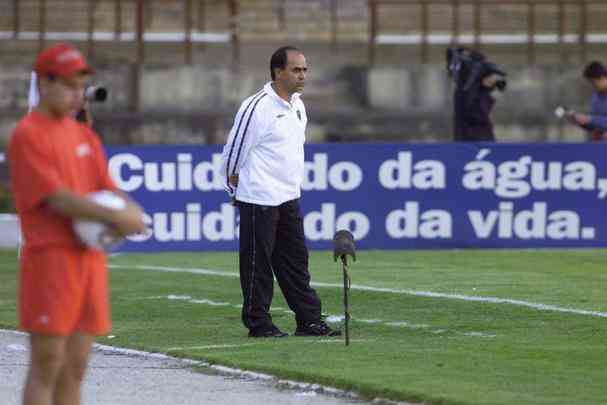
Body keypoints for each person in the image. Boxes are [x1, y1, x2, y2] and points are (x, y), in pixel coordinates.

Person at [8, 43, 146, 405]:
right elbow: (59, 198)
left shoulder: (84, 134)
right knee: (47, 365)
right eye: (68, 86)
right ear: (44, 82)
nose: (76, 95)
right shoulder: (28, 134)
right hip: (51, 261)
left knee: (77, 367)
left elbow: (108, 187)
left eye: (80, 86)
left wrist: (133, 212)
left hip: (89, 259)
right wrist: (117, 216)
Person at [220, 46, 340, 338]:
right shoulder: (257, 107)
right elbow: (233, 154)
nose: (303, 75)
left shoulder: (298, 105)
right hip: (258, 197)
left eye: (304, 69)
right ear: (278, 72)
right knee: (256, 266)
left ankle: (309, 320)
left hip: (288, 196)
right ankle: (259, 323)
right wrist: (234, 188)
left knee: (296, 264)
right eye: (296, 69)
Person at [565, 61, 607, 141]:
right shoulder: (595, 97)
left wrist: (590, 119)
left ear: (602, 78)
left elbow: (594, 119)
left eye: (593, 83)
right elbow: (594, 123)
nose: (592, 86)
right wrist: (581, 121)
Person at [454, 72, 500, 142]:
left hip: (482, 135)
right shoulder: (474, 95)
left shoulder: (485, 95)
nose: (492, 82)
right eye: (489, 79)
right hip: (473, 136)